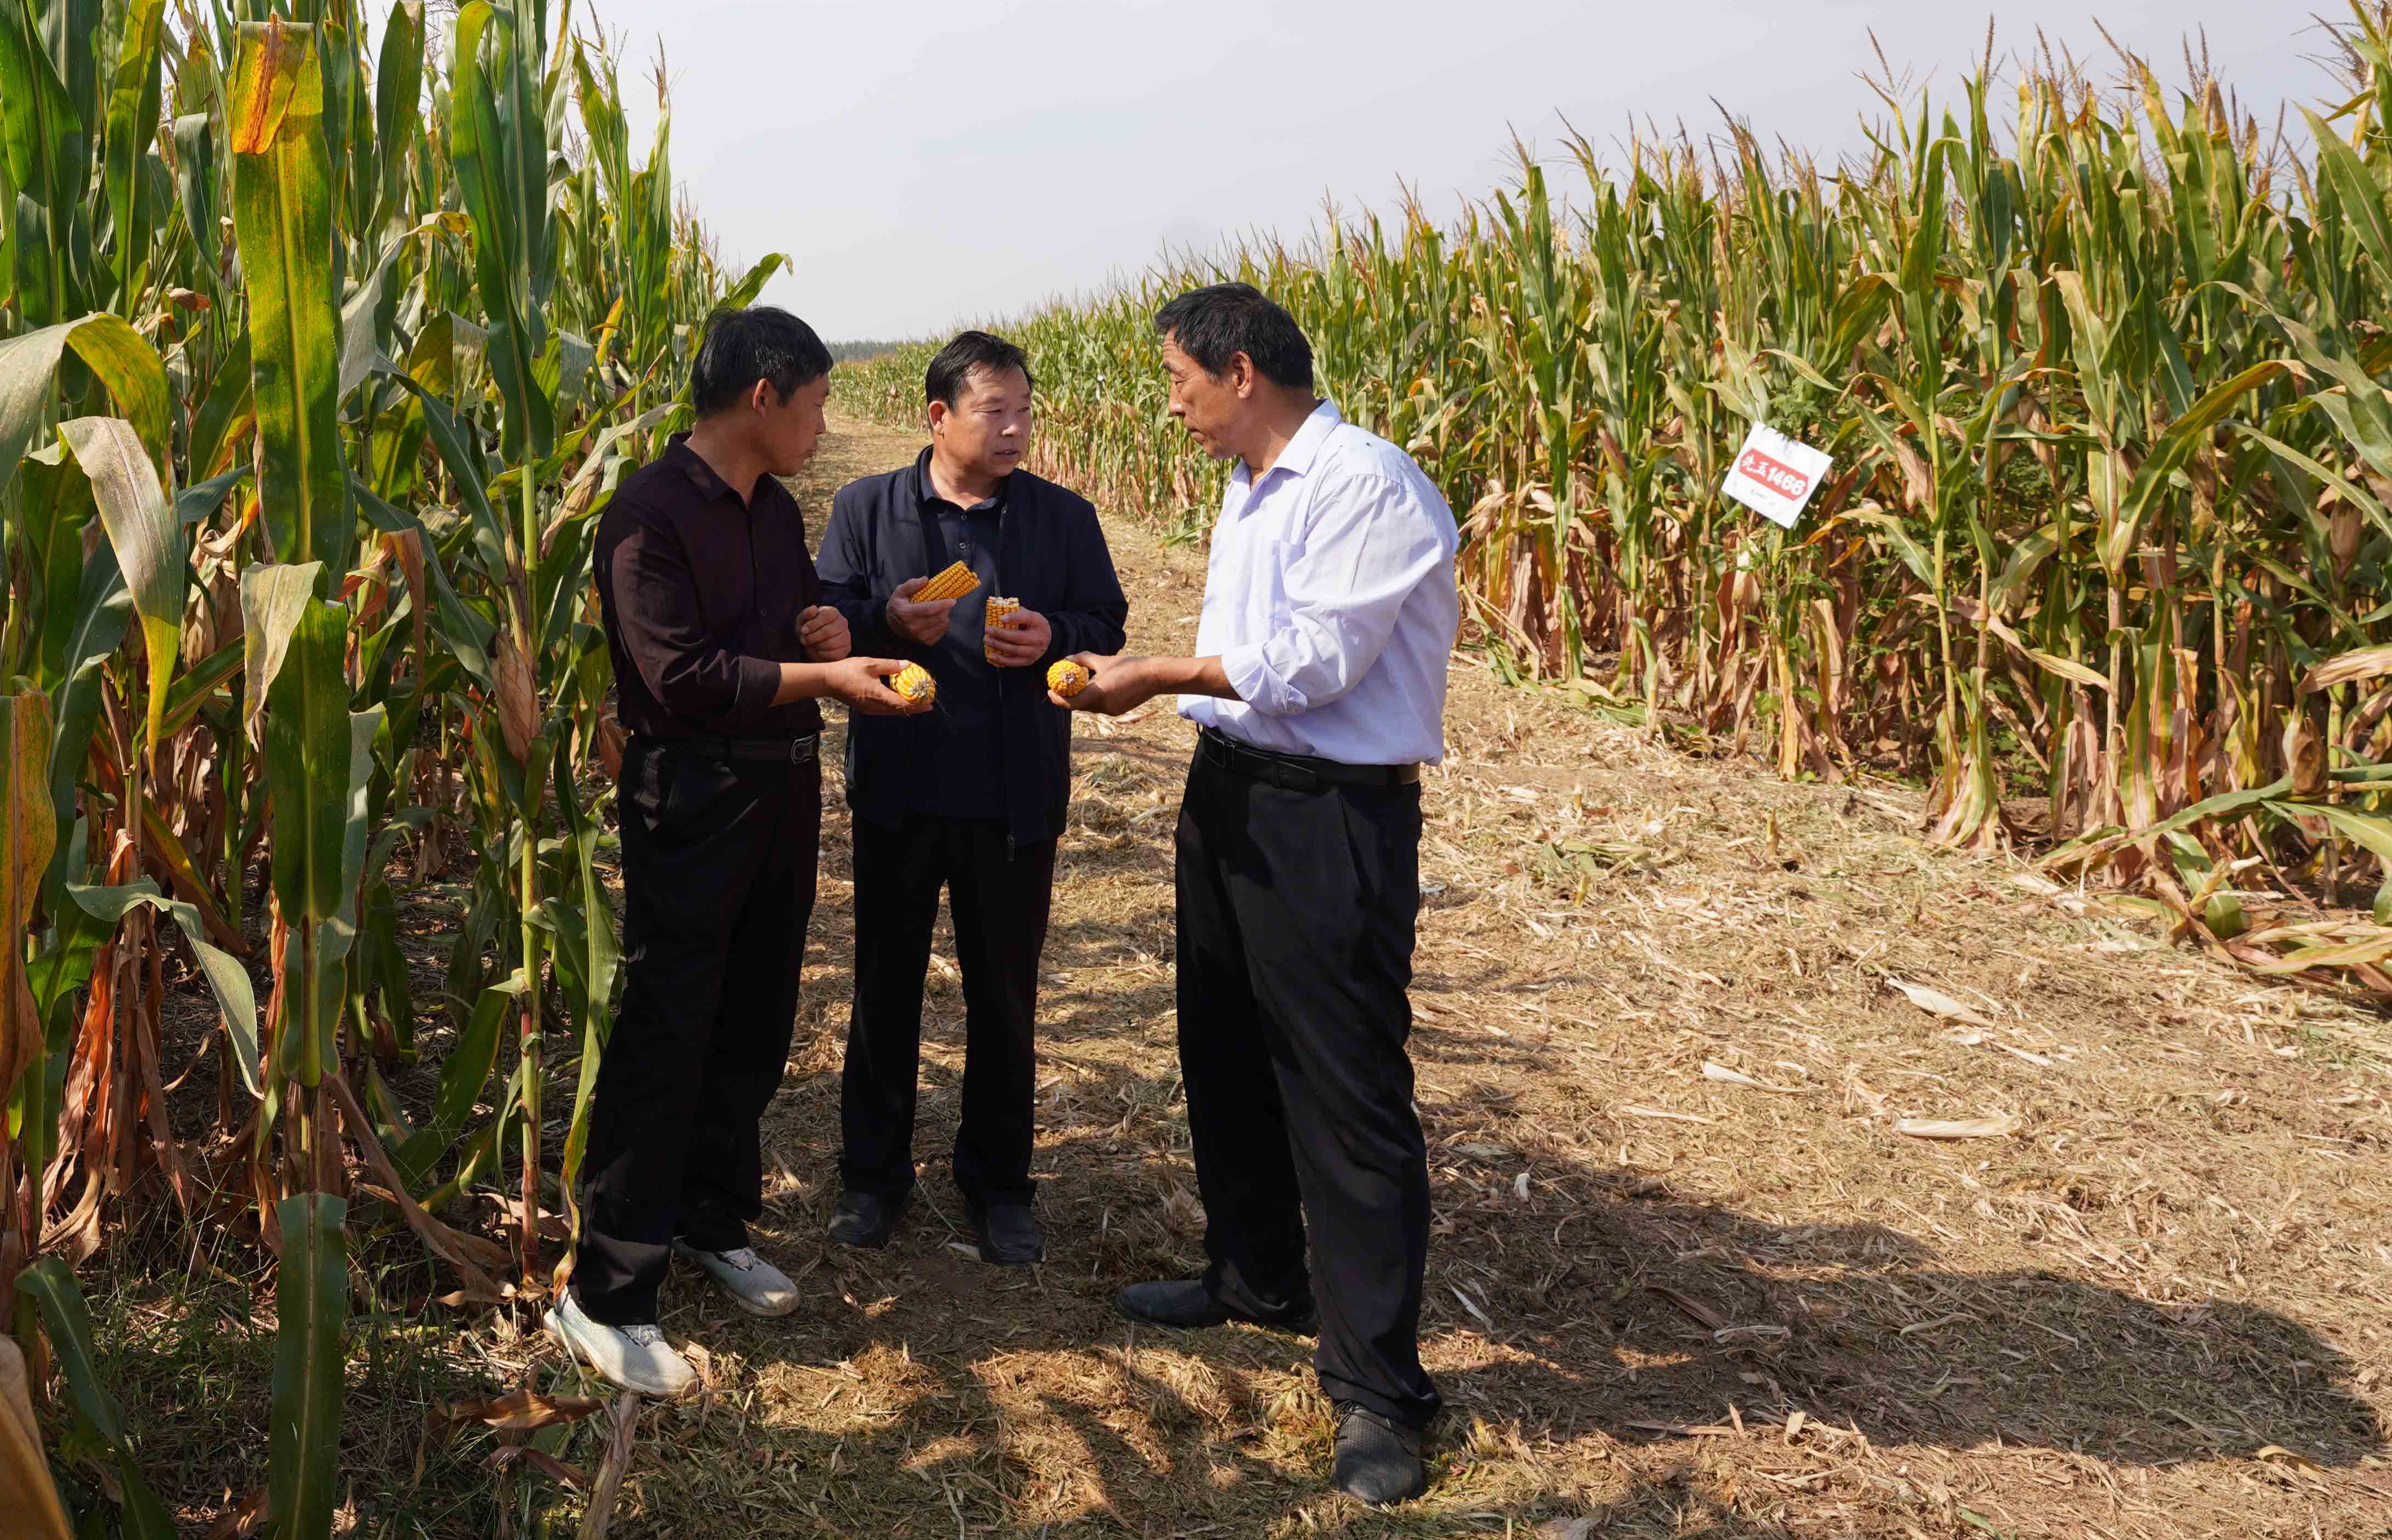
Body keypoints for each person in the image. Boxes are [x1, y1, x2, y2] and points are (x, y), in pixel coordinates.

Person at [1050, 284, 1459, 1505]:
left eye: (1178, 375)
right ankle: (1254, 1277)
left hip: (1327, 816)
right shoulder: (1250, 484)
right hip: (1232, 785)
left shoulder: (1366, 485)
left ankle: (1380, 1391)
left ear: (1239, 372)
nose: (1168, 398)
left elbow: (1314, 663)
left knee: (1344, 1089)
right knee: (1221, 1045)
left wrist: (1157, 673)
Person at [548, 307, 928, 1399]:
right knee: (671, 1026)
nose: (823, 424)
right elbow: (678, 679)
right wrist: (830, 679)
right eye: (814, 404)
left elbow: (786, 623)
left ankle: (712, 1219)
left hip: (781, 788)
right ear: (763, 396)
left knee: (756, 1016)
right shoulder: (650, 513)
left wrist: (822, 632)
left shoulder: (772, 513)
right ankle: (608, 1289)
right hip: (695, 793)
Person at [817, 331, 1128, 1266]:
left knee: (1005, 997)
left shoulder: (1063, 520)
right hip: (902, 791)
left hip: (1014, 797)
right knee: (885, 987)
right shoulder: (865, 507)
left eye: (1026, 410)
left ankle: (999, 1183)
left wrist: (1054, 636)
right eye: (999, 411)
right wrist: (883, 620)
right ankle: (872, 1179)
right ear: (939, 416)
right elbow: (825, 616)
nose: (1019, 428)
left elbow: (1105, 622)